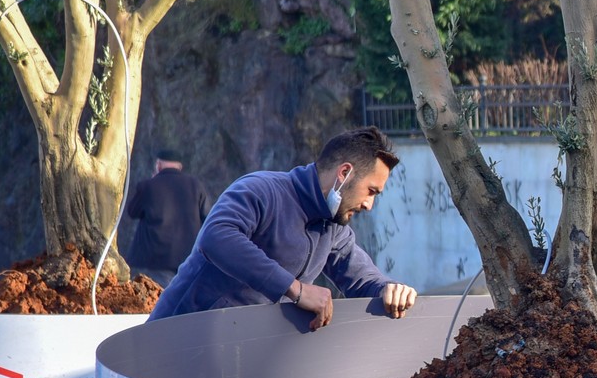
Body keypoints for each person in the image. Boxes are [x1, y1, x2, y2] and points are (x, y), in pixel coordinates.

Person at [150, 126, 418, 329]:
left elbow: (362, 280)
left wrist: (390, 290)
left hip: (235, 354)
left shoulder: (333, 230)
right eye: (371, 191)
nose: (370, 204)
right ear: (344, 173)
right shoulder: (262, 189)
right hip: (175, 340)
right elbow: (217, 236)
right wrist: (295, 289)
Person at [121, 148, 210, 286]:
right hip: (187, 258)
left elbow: (132, 212)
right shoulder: (196, 186)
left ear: (158, 165)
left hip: (154, 261)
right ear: (179, 167)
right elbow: (207, 218)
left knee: (157, 299)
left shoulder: (148, 186)